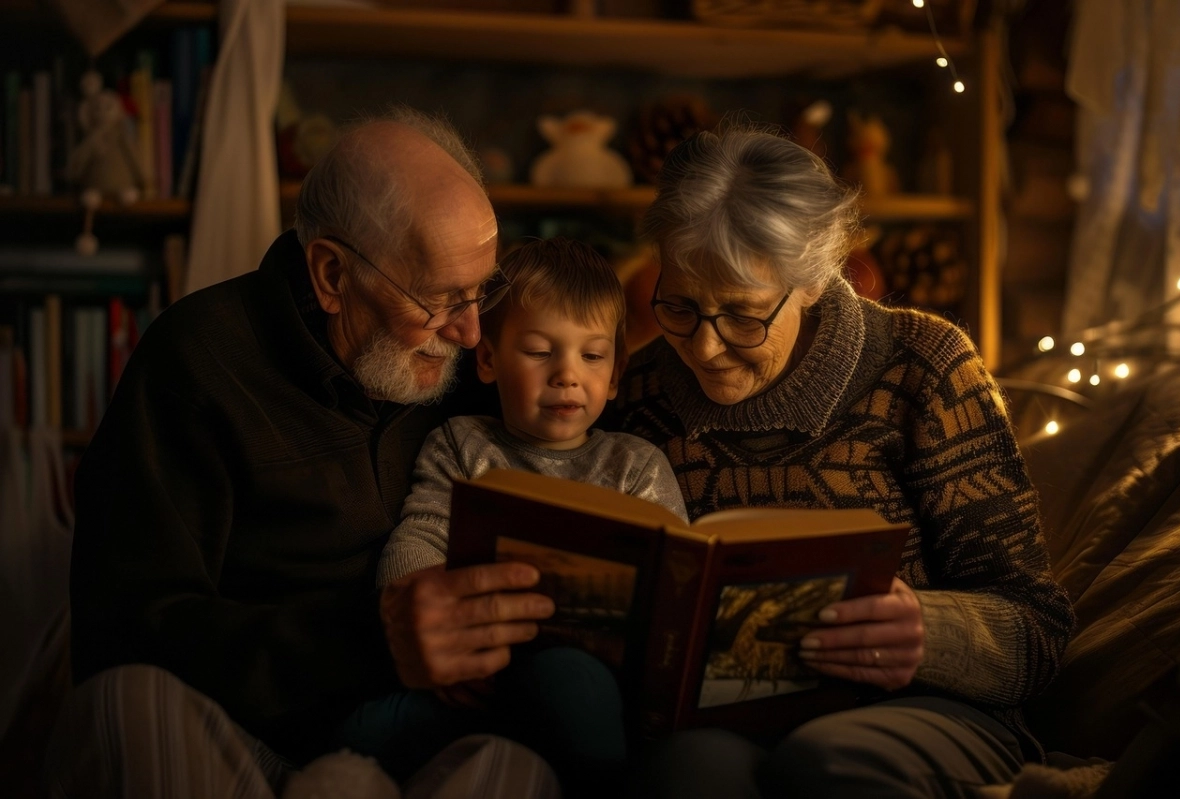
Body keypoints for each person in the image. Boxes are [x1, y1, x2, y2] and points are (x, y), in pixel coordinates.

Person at [54, 108, 561, 798]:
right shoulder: (199, 360)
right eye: (441, 301)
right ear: (330, 273)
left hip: (417, 754)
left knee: (521, 770)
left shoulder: (466, 368)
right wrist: (369, 636)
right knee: (123, 705)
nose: (471, 334)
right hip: (244, 748)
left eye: (482, 292)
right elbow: (124, 633)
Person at [608, 124, 1077, 798]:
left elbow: (1038, 630)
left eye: (742, 316)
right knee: (686, 772)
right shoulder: (639, 387)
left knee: (829, 764)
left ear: (812, 279)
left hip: (922, 708)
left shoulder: (924, 366)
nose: (705, 349)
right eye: (680, 306)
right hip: (726, 716)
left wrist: (929, 628)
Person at [337, 237, 687, 791]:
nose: (567, 375)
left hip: (593, 681)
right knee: (363, 730)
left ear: (616, 372)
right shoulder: (461, 445)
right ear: (488, 358)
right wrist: (428, 617)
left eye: (591, 356)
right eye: (540, 351)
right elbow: (419, 537)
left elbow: (676, 583)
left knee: (571, 685)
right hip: (481, 672)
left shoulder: (634, 465)